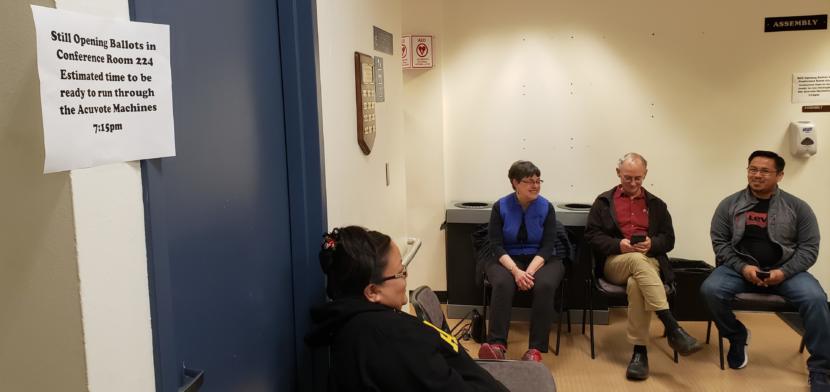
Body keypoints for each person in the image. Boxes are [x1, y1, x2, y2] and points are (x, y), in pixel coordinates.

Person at [305, 226, 508, 392]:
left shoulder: (365, 321)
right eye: (401, 272)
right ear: (373, 291)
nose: (405, 277)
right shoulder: (390, 338)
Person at [701, 150, 830, 391]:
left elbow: (809, 249)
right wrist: (743, 267)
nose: (757, 175)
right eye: (752, 169)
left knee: (816, 298)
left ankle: (821, 368)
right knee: (710, 289)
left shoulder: (798, 208)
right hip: (738, 269)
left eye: (764, 171)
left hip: (786, 272)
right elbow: (719, 243)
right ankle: (737, 337)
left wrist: (784, 272)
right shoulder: (729, 204)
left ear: (780, 175)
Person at [584, 152, 702, 381]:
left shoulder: (657, 204)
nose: (633, 183)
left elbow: (669, 240)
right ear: (618, 173)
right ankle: (672, 326)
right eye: (628, 177)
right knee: (636, 262)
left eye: (638, 178)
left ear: (645, 174)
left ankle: (640, 353)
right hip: (615, 262)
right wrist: (619, 244)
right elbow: (591, 236)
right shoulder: (603, 202)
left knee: (637, 284)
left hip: (649, 262)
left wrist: (652, 243)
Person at [477, 160, 565, 362]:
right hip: (506, 257)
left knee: (545, 285)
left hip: (541, 259)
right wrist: (516, 272)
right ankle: (497, 344)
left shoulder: (547, 207)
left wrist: (529, 273)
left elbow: (547, 245)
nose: (535, 185)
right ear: (515, 183)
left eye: (538, 180)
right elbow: (496, 245)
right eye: (529, 181)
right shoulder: (500, 207)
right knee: (502, 283)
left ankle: (535, 349)